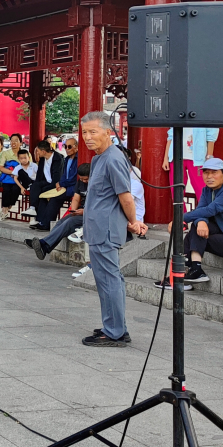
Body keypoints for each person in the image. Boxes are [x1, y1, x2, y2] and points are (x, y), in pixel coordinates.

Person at [79, 111, 147, 347]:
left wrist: (134, 221)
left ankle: (114, 331)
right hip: (97, 227)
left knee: (109, 280)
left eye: (93, 132)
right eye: (85, 132)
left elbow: (125, 196)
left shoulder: (114, 158)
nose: (87, 137)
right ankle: (115, 326)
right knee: (106, 280)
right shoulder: (99, 158)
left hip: (106, 229)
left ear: (108, 132)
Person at [155, 157, 223, 290]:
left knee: (194, 235)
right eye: (206, 172)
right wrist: (201, 222)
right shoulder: (207, 190)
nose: (209, 176)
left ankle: (185, 273)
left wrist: (180, 218)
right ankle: (192, 271)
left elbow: (210, 209)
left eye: (214, 172)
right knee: (197, 228)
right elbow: (201, 210)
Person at [27, 162, 90, 260]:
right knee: (61, 222)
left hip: (90, 214)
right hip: (80, 212)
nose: (83, 181)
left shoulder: (96, 185)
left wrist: (85, 211)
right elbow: (76, 199)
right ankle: (45, 246)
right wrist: (73, 210)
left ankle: (44, 243)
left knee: (70, 222)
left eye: (86, 179)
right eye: (81, 179)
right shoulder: (80, 183)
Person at [162, 126, 219, 198]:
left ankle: (204, 209)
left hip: (198, 159)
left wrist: (209, 157)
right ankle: (182, 210)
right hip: (175, 156)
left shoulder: (206, 115)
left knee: (201, 190)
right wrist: (166, 158)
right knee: (176, 192)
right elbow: (171, 136)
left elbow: (211, 137)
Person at [27, 139, 66, 231]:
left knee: (41, 194)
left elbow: (57, 177)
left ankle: (38, 216)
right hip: (46, 182)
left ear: (43, 151)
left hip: (56, 184)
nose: (37, 153)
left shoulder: (58, 158)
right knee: (36, 188)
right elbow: (39, 176)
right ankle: (40, 220)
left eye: (38, 151)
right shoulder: (42, 160)